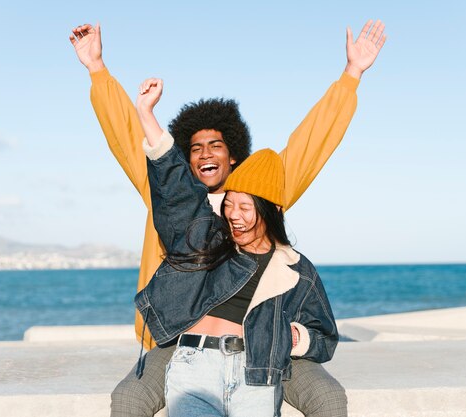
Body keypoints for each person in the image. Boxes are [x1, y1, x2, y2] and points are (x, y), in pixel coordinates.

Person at [69, 20, 386, 417]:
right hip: (180, 343)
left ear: (233, 154)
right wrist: (97, 69)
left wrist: (351, 75)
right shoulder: (169, 197)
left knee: (326, 396)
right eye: (195, 149)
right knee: (129, 398)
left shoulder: (263, 195)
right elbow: (130, 135)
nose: (204, 155)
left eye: (215, 146)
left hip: (261, 342)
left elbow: (311, 144)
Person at [136, 78, 338, 416]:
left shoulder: (296, 269)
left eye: (245, 208)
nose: (234, 216)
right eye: (229, 205)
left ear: (271, 210)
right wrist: (146, 113)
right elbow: (177, 192)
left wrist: (298, 337)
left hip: (257, 373)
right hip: (195, 365)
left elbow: (324, 336)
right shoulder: (212, 240)